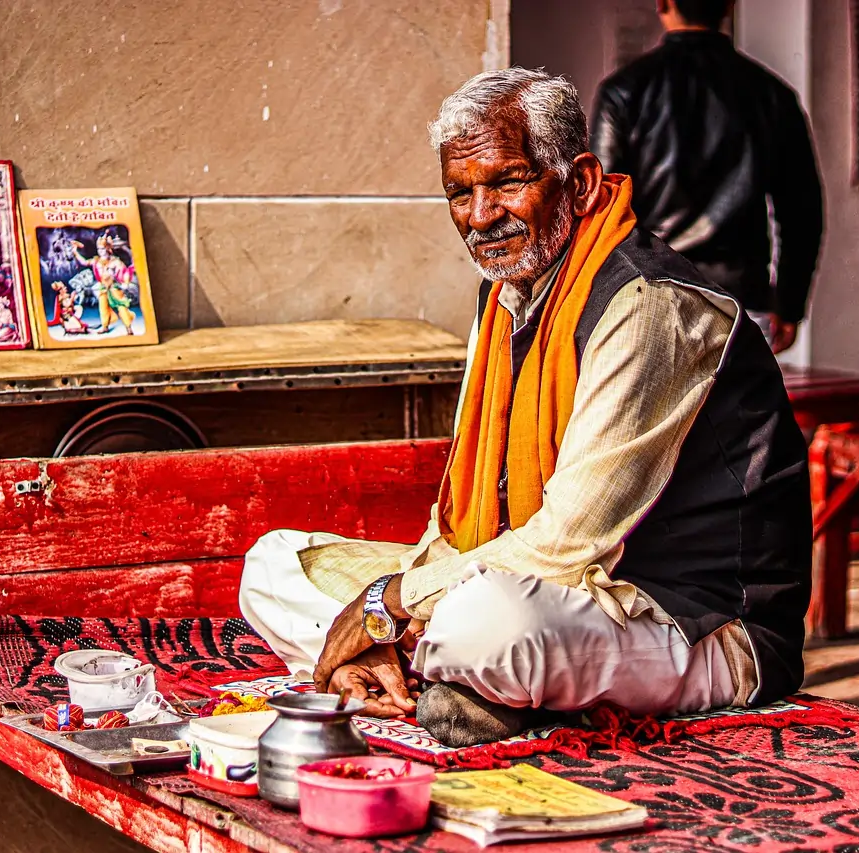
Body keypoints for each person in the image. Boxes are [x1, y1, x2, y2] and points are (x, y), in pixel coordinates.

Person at [239, 68, 811, 748]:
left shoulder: (649, 305)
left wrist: (388, 606)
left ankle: (443, 673)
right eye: (460, 192)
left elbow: (567, 541)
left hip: (692, 623)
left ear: (582, 181)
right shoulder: (507, 294)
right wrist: (390, 608)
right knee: (274, 565)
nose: (481, 215)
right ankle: (430, 677)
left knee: (489, 622)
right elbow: (454, 516)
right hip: (551, 593)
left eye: (508, 181)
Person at [589, 0, 824, 354]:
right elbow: (801, 214)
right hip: (741, 303)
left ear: (663, 2)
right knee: (739, 409)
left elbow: (601, 212)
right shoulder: (772, 95)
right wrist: (789, 304)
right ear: (729, 5)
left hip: (648, 301)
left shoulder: (623, 93)